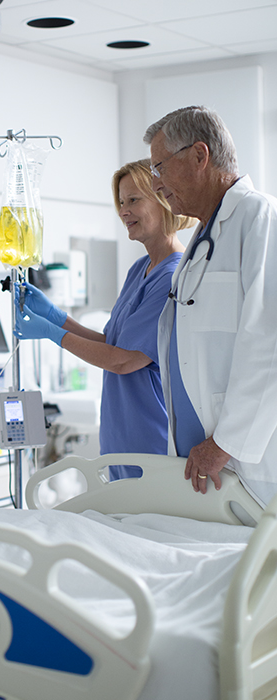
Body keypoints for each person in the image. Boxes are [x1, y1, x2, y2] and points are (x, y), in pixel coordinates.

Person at [14, 159, 195, 479]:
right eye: (121, 203)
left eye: (134, 200)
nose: (124, 211)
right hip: (120, 440)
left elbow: (123, 361)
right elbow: (111, 344)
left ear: (163, 198)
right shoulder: (140, 269)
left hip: (151, 443)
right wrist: (57, 318)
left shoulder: (172, 277)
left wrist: (53, 334)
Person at [144, 105, 277, 507]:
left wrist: (224, 443)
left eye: (160, 167)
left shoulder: (259, 218)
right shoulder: (203, 235)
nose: (157, 183)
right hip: (200, 461)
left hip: (243, 461)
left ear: (200, 156)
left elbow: (269, 343)